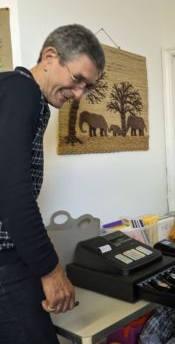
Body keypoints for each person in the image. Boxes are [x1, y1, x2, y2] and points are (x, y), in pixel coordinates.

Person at [0, 24, 105, 344]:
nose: (78, 95)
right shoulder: (22, 92)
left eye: (87, 87)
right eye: (77, 80)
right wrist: (51, 269)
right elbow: (13, 193)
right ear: (49, 57)